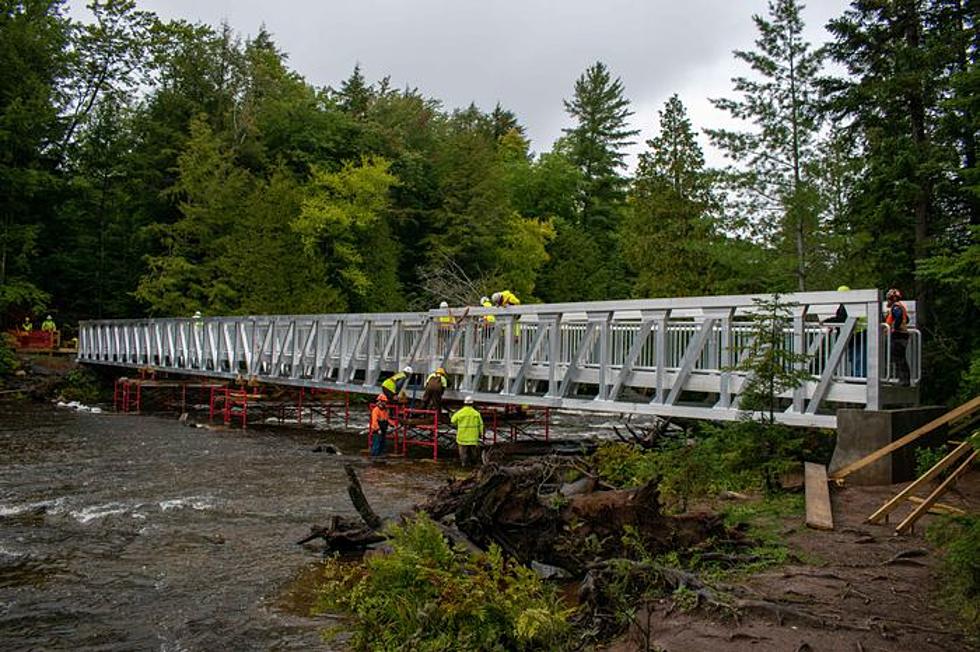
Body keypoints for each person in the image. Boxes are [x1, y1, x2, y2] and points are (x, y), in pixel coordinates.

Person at [885, 288, 911, 385]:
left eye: (889, 298)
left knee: (898, 358)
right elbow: (907, 319)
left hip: (898, 335)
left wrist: (895, 327)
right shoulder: (900, 306)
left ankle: (903, 380)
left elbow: (899, 316)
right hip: (903, 334)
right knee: (900, 357)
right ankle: (904, 379)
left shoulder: (896, 307)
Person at [451, 396, 484, 468]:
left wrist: (458, 424)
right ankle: (474, 464)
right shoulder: (476, 413)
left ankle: (464, 464)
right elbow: (481, 425)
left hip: (462, 437)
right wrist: (481, 434)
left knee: (463, 453)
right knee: (474, 452)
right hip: (473, 437)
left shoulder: (460, 412)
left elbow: (452, 420)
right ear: (472, 404)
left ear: (464, 403)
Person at [369, 394, 390, 458]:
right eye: (384, 401)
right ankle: (374, 457)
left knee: (382, 443)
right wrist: (378, 429)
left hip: (383, 429)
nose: (385, 403)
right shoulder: (376, 410)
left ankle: (379, 456)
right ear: (380, 401)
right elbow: (374, 421)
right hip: (377, 430)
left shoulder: (385, 410)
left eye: (385, 402)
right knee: (376, 444)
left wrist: (392, 425)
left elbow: (386, 419)